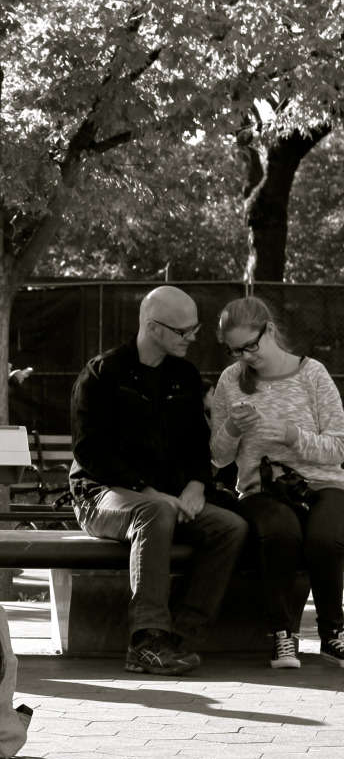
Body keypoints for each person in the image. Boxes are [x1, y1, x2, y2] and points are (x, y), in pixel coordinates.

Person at [69, 286, 246, 675]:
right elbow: (90, 451)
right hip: (101, 494)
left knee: (231, 527)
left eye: (195, 328)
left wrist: (197, 486)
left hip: (167, 500)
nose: (193, 337)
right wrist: (149, 492)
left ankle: (180, 638)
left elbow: (198, 446)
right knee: (152, 512)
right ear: (153, 327)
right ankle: (145, 642)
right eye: (184, 331)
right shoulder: (102, 373)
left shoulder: (184, 376)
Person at [210, 296, 344, 670]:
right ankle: (283, 635)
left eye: (250, 346)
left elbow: (338, 449)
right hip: (260, 489)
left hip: (322, 483)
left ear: (269, 330)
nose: (244, 357)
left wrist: (288, 433)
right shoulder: (230, 380)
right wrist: (233, 428)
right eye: (235, 350)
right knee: (281, 533)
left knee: (325, 538)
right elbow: (218, 457)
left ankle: (334, 633)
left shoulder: (313, 374)